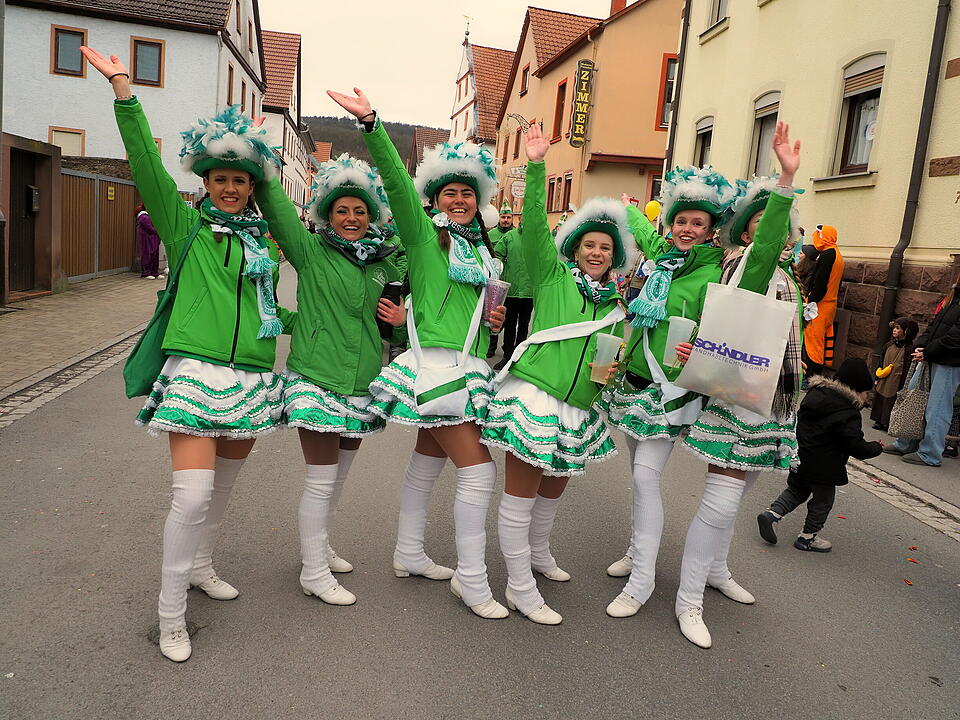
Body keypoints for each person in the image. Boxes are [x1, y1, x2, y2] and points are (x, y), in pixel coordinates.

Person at [81, 46, 293, 662]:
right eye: (220, 178)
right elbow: (145, 165)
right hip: (198, 374)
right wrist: (124, 89)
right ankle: (171, 614)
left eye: (240, 179)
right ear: (204, 182)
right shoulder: (185, 226)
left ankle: (200, 564)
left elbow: (268, 310)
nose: (230, 188)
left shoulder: (264, 242)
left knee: (222, 489)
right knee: (193, 495)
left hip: (252, 375)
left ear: (252, 186)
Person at [328, 87, 509, 619]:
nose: (458, 199)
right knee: (478, 472)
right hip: (436, 368)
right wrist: (372, 125)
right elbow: (400, 192)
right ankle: (472, 581)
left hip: (468, 367)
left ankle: (409, 552)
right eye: (448, 191)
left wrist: (489, 323)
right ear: (435, 197)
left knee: (427, 463)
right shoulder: (426, 240)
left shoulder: (481, 251)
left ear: (480, 200)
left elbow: (468, 311)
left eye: (467, 193)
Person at [482, 124, 629, 625]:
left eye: (605, 248)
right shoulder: (550, 275)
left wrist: (614, 368)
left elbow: (615, 356)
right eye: (588, 244)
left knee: (555, 485)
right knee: (520, 495)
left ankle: (539, 555)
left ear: (615, 257)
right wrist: (538, 162)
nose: (596, 252)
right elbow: (534, 234)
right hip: (538, 397)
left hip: (578, 406)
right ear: (574, 249)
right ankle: (518, 586)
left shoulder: (616, 302)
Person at [670, 124, 801, 649]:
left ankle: (717, 568)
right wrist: (786, 178)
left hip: (770, 398)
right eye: (767, 225)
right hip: (737, 397)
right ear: (747, 232)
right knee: (722, 500)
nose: (777, 234)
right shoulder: (749, 261)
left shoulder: (782, 274)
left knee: (742, 490)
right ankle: (688, 600)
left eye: (783, 227)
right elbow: (764, 253)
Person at [255, 153, 404, 606]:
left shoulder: (384, 264)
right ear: (327, 213)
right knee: (320, 480)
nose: (352, 218)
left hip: (362, 382)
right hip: (316, 377)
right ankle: (313, 571)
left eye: (360, 210)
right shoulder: (309, 249)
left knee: (337, 479)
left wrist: (399, 321)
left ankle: (319, 546)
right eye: (342, 209)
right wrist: (259, 164)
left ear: (371, 214)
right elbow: (277, 208)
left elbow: (392, 329)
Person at [602, 164, 739, 601]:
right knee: (636, 470)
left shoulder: (718, 270)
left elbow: (725, 329)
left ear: (712, 229)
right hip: (635, 381)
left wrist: (701, 345)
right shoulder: (664, 257)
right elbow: (644, 233)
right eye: (680, 220)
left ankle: (641, 579)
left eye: (697, 222)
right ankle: (634, 549)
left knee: (645, 478)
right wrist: (630, 211)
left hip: (674, 387)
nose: (686, 228)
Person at [758, 358, 882, 552]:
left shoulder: (815, 394)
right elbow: (855, 446)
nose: (866, 398)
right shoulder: (848, 412)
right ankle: (807, 537)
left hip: (801, 455)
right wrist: (876, 447)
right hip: (825, 467)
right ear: (857, 389)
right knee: (823, 501)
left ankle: (772, 514)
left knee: (796, 490)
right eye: (866, 393)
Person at [884, 275, 960, 466]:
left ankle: (930, 454)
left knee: (938, 408)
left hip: (949, 361)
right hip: (931, 356)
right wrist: (921, 346)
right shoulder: (953, 297)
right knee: (912, 397)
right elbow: (934, 326)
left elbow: (956, 337)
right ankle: (906, 442)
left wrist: (928, 351)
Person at [492, 206, 534, 373]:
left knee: (524, 326)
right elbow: (497, 255)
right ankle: (507, 355)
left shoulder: (537, 239)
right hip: (511, 289)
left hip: (529, 291)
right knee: (509, 324)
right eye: (525, 217)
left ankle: (518, 356)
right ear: (520, 218)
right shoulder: (510, 236)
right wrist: (500, 273)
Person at [803, 225, 844, 376]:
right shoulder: (837, 254)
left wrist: (811, 300)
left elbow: (821, 282)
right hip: (829, 305)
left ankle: (811, 376)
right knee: (820, 341)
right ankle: (814, 375)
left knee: (814, 342)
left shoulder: (828, 254)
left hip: (820, 305)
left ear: (823, 237)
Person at [870, 317, 919, 430]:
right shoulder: (888, 345)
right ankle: (878, 419)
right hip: (885, 375)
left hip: (897, 378)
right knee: (881, 393)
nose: (894, 330)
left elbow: (908, 367)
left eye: (898, 328)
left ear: (906, 331)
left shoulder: (909, 349)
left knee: (892, 397)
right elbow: (882, 359)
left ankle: (887, 421)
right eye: (894, 328)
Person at [485, 203, 515, 358]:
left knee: (507, 319)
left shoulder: (516, 235)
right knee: (492, 314)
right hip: (495, 282)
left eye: (508, 217)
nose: (505, 220)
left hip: (511, 283)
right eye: (503, 217)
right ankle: (491, 346)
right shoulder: (490, 235)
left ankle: (508, 350)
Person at [136, 203, 161, 278]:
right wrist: (160, 231)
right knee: (148, 254)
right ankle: (146, 272)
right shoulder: (144, 217)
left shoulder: (147, 216)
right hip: (148, 239)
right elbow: (150, 229)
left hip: (152, 239)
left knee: (154, 255)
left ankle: (153, 272)